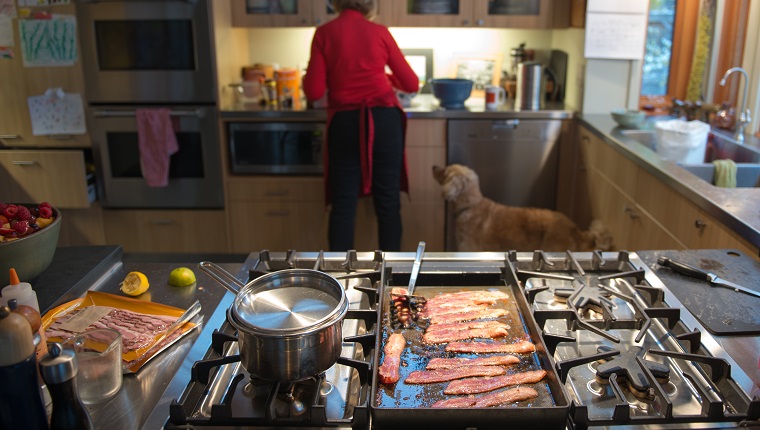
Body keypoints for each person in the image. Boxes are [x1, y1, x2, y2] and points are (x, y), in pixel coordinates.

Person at [302, 0, 419, 252]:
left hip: (345, 123)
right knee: (388, 203)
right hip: (385, 122)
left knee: (343, 205)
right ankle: (392, 278)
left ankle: (340, 279)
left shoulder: (324, 32)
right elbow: (411, 84)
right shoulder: (380, 32)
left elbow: (313, 91)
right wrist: (386, 77)